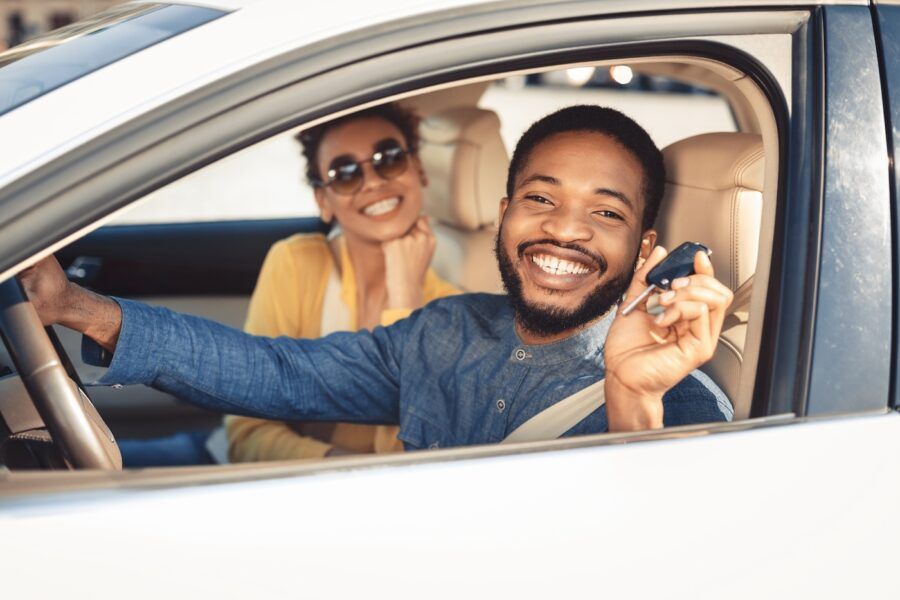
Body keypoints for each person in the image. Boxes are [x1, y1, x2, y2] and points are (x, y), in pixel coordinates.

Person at [20, 105, 734, 450]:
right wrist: (78, 306)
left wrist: (632, 400)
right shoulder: (444, 330)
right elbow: (274, 371)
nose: (565, 230)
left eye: (604, 213)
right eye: (541, 199)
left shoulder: (679, 396)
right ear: (504, 214)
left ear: (644, 249)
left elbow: (662, 559)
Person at [227, 103, 458, 461]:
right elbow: (247, 433)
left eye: (390, 158)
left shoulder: (453, 311)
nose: (374, 182)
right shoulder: (295, 263)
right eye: (346, 173)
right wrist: (336, 468)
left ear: (419, 170)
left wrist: (405, 301)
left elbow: (413, 459)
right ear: (323, 201)